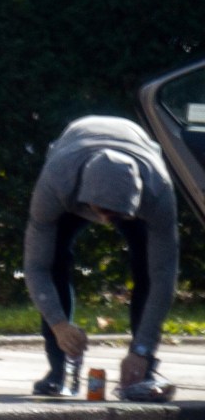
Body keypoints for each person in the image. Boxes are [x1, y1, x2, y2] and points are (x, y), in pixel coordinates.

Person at [23, 115, 178, 400]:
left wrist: (142, 349)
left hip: (140, 160)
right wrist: (58, 323)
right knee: (55, 261)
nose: (106, 221)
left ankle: (142, 369)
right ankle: (58, 370)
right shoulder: (56, 183)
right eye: (102, 211)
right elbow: (36, 266)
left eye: (118, 215)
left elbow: (163, 276)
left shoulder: (158, 193)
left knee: (147, 268)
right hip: (73, 162)